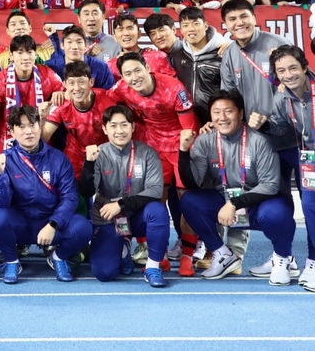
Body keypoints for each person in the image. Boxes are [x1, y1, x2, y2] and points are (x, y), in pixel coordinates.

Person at [179, 90, 296, 285]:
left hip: (262, 203)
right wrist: (183, 152)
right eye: (216, 112)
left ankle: (283, 259)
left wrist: (234, 202)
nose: (222, 118)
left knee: (277, 213)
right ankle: (222, 254)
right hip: (225, 200)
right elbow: (194, 183)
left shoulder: (260, 141)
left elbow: (271, 185)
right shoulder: (204, 141)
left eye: (228, 111)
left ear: (241, 113)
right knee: (190, 201)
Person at [111, 51, 200, 273]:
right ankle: (158, 255)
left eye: (137, 70)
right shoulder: (121, 89)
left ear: (147, 67)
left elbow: (188, 129)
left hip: (182, 143)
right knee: (154, 201)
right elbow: (103, 101)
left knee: (185, 200)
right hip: (153, 147)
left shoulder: (174, 88)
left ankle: (188, 255)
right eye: (127, 74)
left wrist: (184, 152)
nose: (134, 77)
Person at [0, 105, 93, 284]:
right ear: (12, 131)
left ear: (40, 126)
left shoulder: (58, 158)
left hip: (52, 222)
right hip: (23, 222)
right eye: (21, 127)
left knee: (83, 227)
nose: (28, 131)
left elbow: (70, 197)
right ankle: (12, 261)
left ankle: (58, 257)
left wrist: (53, 224)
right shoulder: (6, 158)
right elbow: (2, 202)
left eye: (32, 125)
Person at [79, 104, 168, 287]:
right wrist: (88, 164)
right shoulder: (98, 154)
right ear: (104, 129)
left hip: (138, 216)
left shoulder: (148, 154)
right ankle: (124, 250)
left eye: (124, 125)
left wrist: (121, 204)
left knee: (158, 210)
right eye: (113, 125)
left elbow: (155, 191)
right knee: (104, 273)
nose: (119, 130)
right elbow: (86, 192)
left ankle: (152, 267)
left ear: (133, 127)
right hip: (108, 218)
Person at [252, 45, 315, 286]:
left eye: (292, 68)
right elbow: (281, 129)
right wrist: (265, 126)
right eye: (281, 71)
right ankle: (313, 261)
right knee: (310, 208)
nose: (288, 75)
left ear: (305, 67)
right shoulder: (282, 99)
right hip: (310, 160)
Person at [220, 0, 294, 186]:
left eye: (244, 16)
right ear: (226, 24)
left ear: (254, 17)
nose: (239, 22)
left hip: (293, 137)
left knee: (310, 196)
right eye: (232, 19)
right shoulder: (229, 54)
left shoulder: (278, 44)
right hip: (260, 141)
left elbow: (301, 85)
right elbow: (229, 97)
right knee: (274, 199)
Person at [0, 35, 64, 155]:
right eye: (20, 53)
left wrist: (60, 93)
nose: (25, 57)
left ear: (35, 54)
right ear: (11, 56)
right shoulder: (0, 79)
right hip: (9, 137)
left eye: (29, 52)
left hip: (39, 135)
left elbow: (68, 92)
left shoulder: (47, 74)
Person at [44, 61, 114, 179]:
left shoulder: (107, 101)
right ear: (64, 84)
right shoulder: (61, 104)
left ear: (91, 82)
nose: (77, 88)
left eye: (82, 82)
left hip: (105, 154)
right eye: (71, 83)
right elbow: (43, 137)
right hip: (75, 156)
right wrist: (41, 117)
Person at [45, 24, 115, 90]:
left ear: (86, 46)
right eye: (69, 42)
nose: (75, 47)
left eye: (79, 42)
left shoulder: (100, 67)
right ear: (62, 46)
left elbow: (110, 94)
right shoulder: (51, 68)